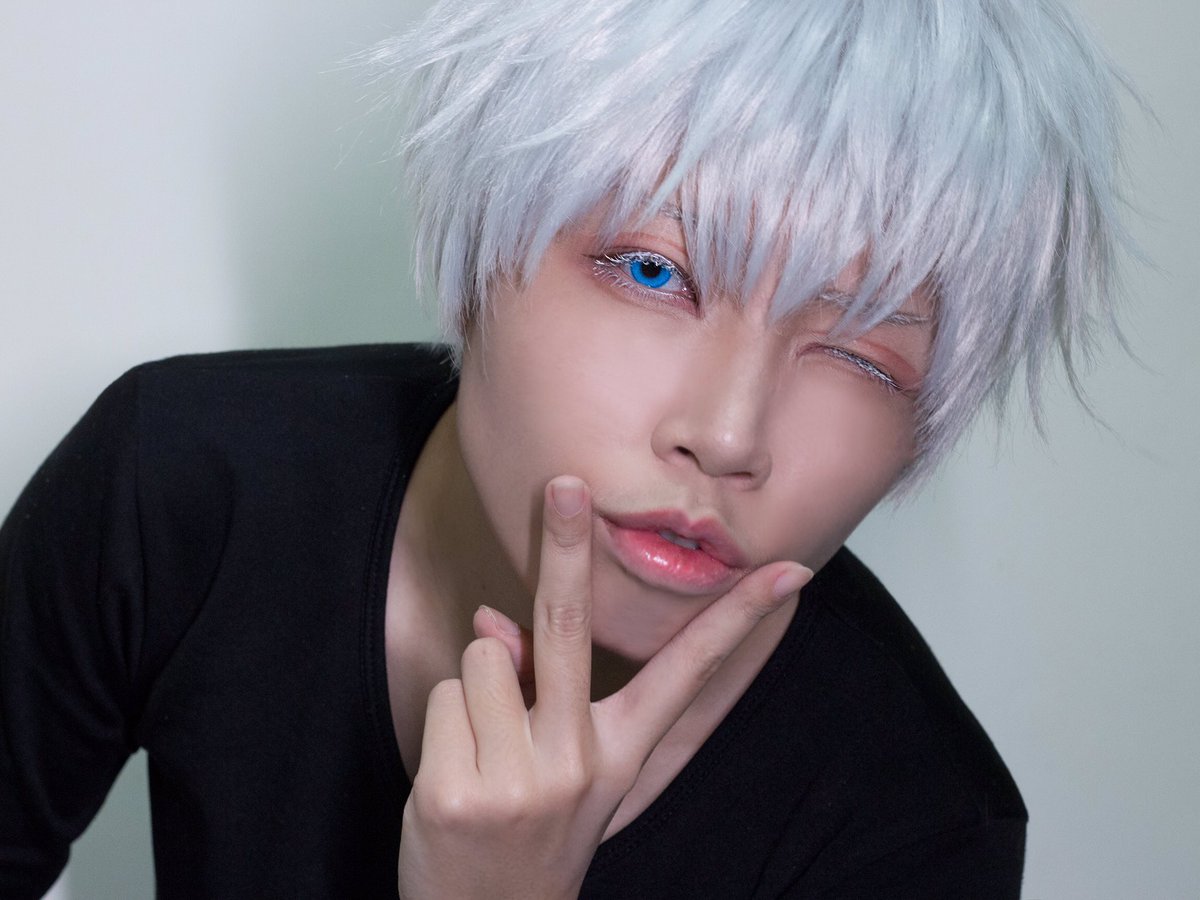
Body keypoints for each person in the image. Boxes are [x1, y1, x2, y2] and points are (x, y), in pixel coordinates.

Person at [0, 0, 1129, 896]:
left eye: (859, 356)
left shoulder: (913, 822)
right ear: (480, 256)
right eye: (653, 270)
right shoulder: (188, 485)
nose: (727, 435)